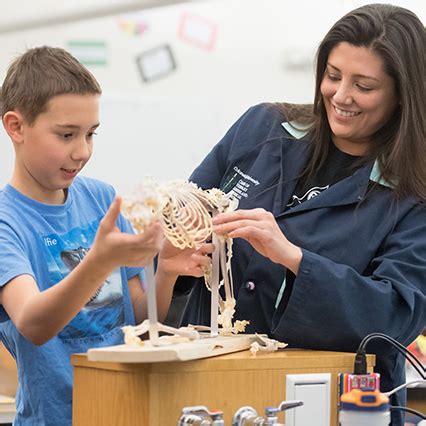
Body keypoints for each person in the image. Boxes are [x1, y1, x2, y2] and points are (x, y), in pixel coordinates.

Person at [173, 4, 426, 425]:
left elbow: (395, 317)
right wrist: (172, 236)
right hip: (212, 391)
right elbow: (185, 222)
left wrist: (293, 257)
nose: (341, 96)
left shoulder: (413, 195)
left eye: (363, 86)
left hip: (331, 406)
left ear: (403, 95)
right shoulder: (263, 127)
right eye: (332, 75)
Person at [0, 46, 211, 426]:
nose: (82, 152)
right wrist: (99, 262)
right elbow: (33, 324)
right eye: (66, 135)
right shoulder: (7, 222)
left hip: (130, 412)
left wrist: (166, 273)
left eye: (91, 134)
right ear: (16, 126)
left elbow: (142, 321)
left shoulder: (99, 198)